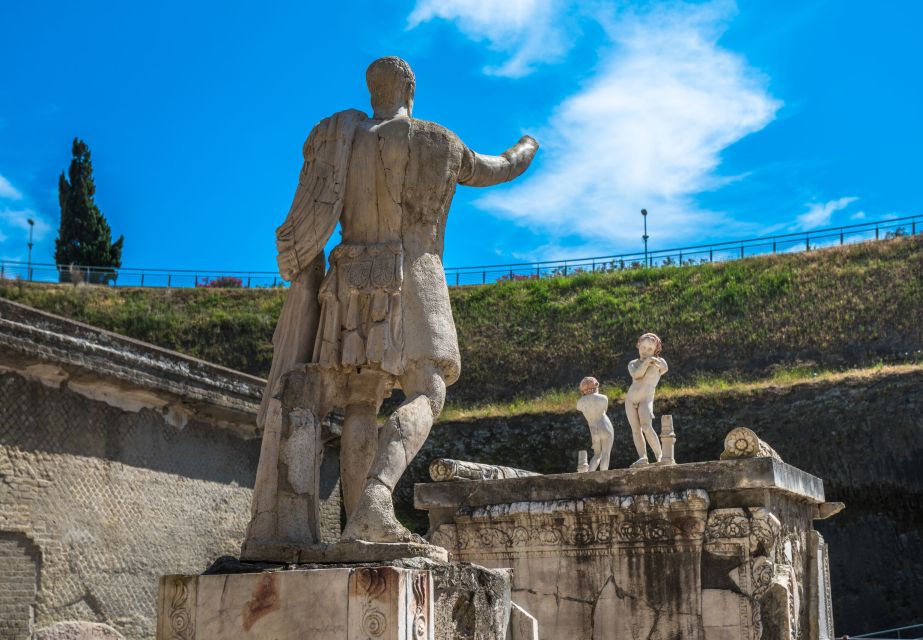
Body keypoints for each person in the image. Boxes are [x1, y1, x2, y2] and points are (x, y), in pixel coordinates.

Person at [246, 56, 539, 548]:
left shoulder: (343, 141)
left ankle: (360, 529)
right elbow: (501, 167)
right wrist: (528, 145)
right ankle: (377, 501)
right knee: (428, 389)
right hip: (414, 271)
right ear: (409, 88)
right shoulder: (437, 140)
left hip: (350, 275)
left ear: (372, 90)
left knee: (362, 400)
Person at [625, 333, 668, 467]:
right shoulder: (633, 363)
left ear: (655, 350)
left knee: (646, 426)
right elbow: (637, 375)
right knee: (636, 430)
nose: (645, 351)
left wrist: (653, 360)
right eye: (643, 347)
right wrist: (645, 363)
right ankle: (643, 457)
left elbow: (665, 369)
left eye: (650, 349)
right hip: (631, 399)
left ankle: (659, 455)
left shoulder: (659, 363)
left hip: (646, 399)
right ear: (638, 346)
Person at [576, 376, 614, 471]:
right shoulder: (603, 398)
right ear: (596, 385)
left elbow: (579, 408)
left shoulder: (580, 403)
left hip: (593, 429)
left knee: (597, 455)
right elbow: (605, 409)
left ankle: (590, 475)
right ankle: (604, 475)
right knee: (605, 453)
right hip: (605, 425)